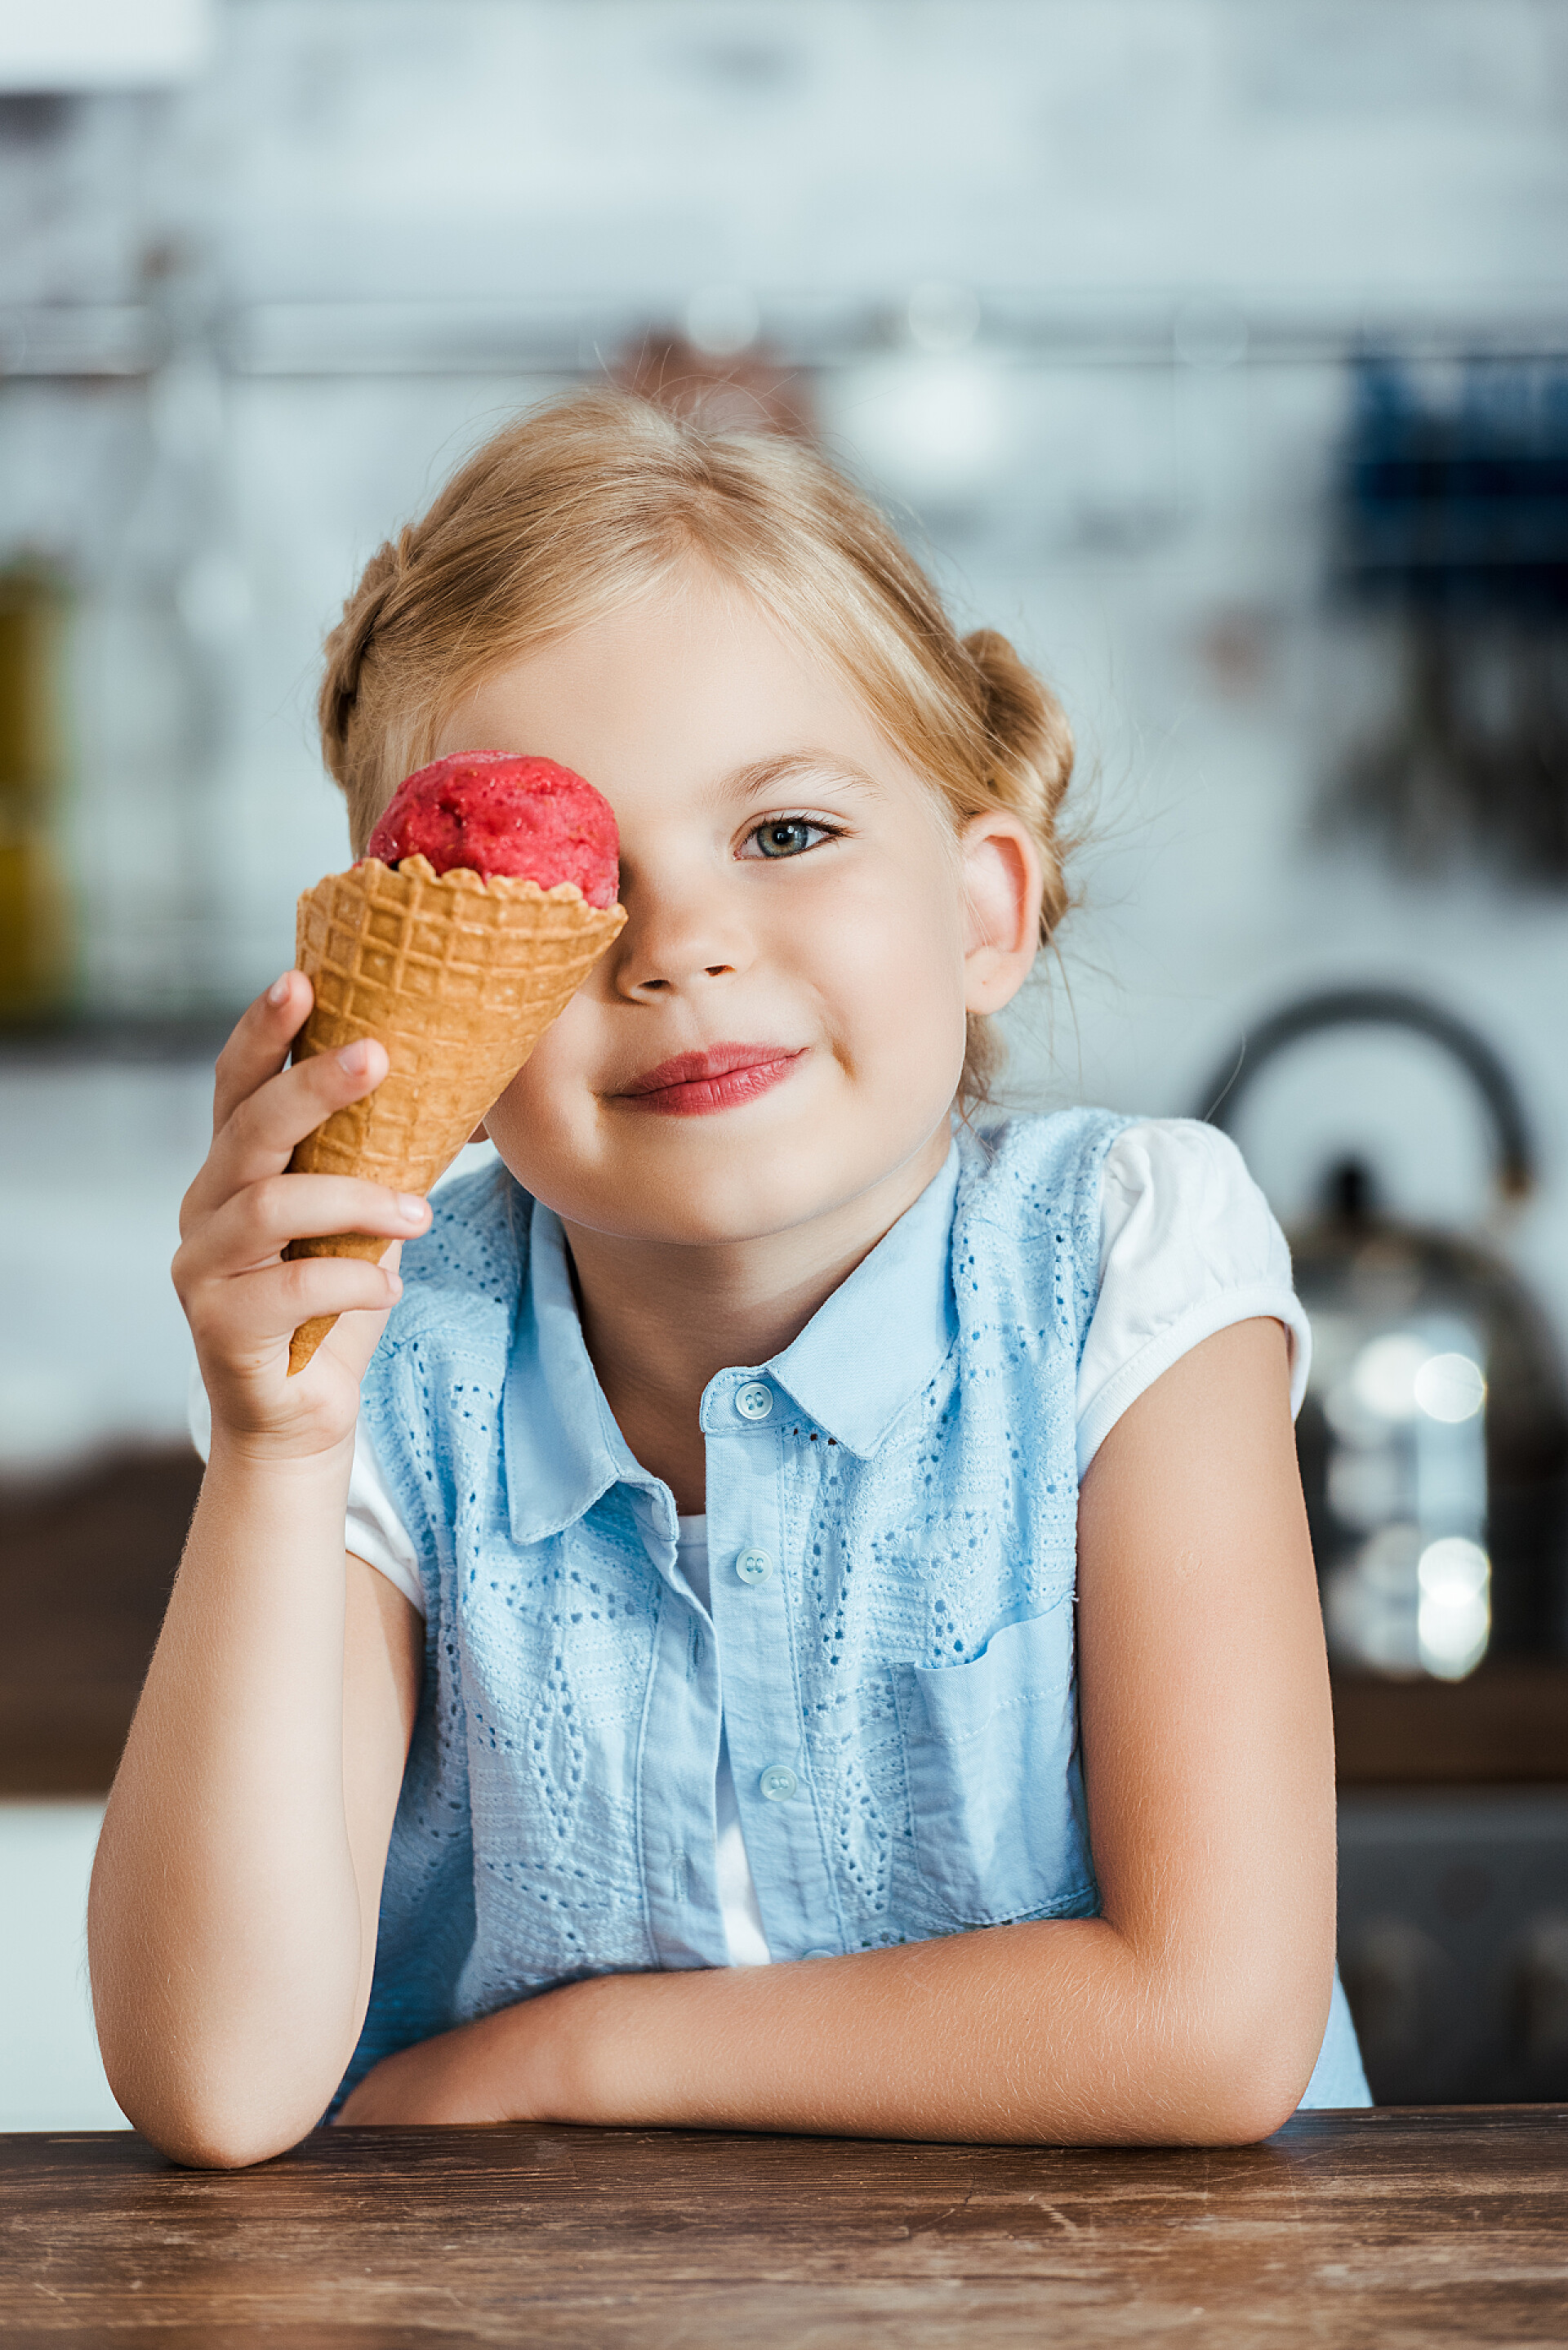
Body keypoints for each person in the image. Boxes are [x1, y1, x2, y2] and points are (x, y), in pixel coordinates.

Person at [87, 390, 1370, 2169]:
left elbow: (1211, 2025)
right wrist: (277, 1438)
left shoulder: (1128, 1263)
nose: (681, 941)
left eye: (785, 833)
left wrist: (579, 2050)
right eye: (579, 890)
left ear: (987, 905)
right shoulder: (400, 1345)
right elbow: (218, 2082)